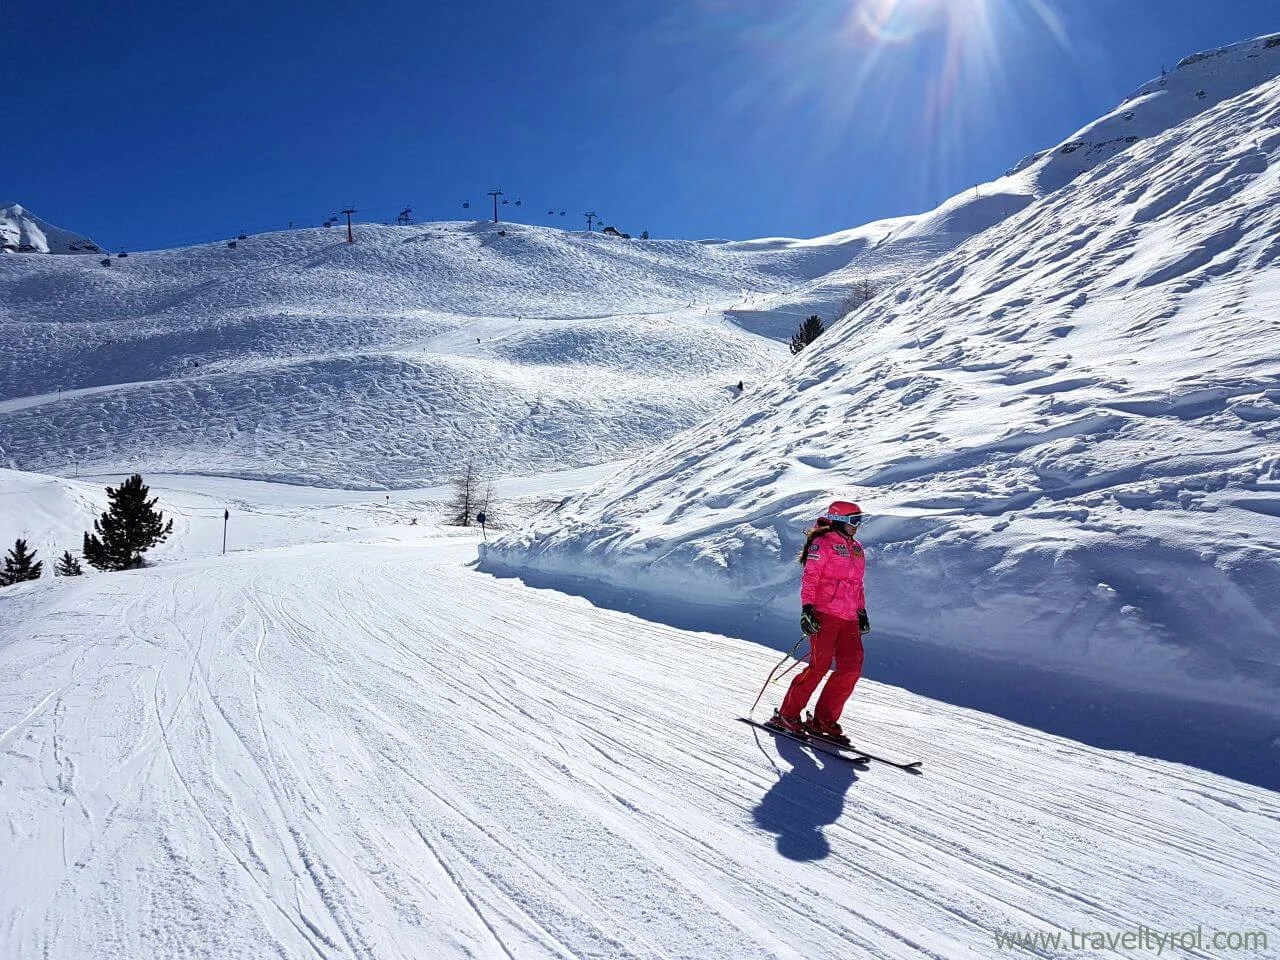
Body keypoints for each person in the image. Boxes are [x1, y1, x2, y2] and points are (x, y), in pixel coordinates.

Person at [770, 500, 870, 744]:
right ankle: (787, 714)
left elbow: (857, 583)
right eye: (855, 521)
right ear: (841, 520)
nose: (858, 526)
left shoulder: (856, 548)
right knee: (819, 665)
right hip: (824, 613)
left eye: (860, 520)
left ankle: (823, 719)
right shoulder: (822, 543)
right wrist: (807, 610)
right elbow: (811, 578)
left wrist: (861, 611)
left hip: (848, 619)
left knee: (851, 667)